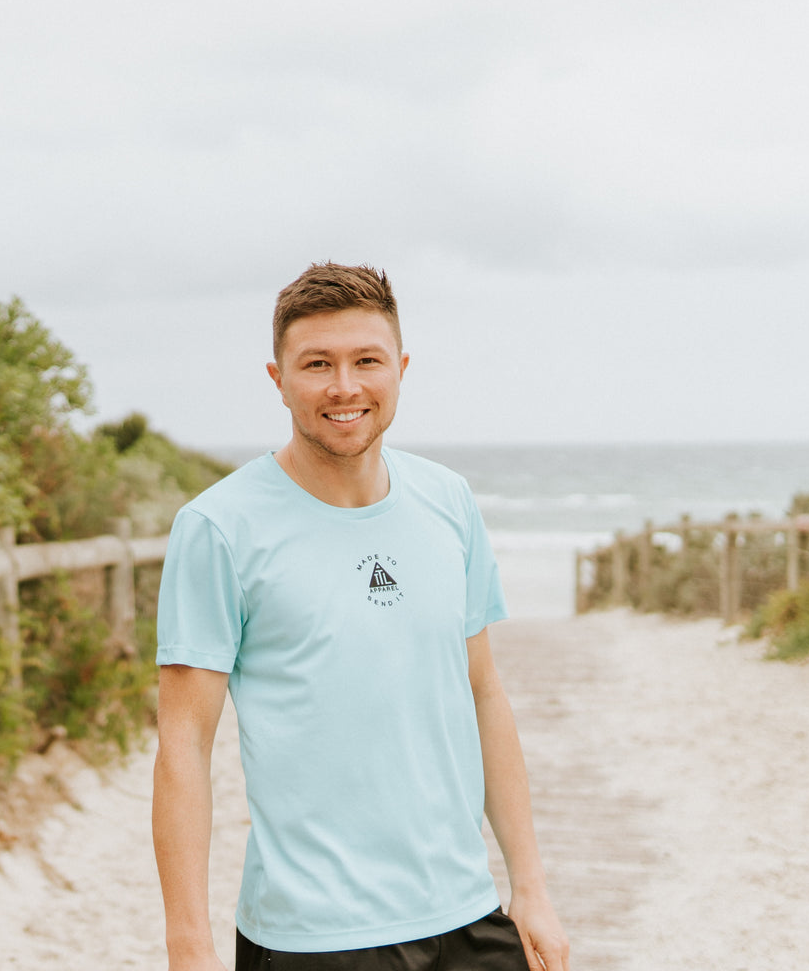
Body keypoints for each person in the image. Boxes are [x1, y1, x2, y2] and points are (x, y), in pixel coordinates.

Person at [151, 263, 570, 971]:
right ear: (278, 378)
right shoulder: (219, 528)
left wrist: (530, 887)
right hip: (310, 937)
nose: (344, 386)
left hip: (466, 916)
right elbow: (184, 742)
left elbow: (484, 693)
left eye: (366, 361)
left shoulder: (450, 502)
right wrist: (188, 947)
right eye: (317, 364)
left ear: (400, 369)